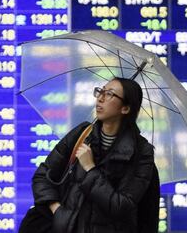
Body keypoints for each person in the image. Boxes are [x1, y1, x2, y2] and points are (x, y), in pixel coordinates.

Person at [19, 77, 160, 233]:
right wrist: (57, 211)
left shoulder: (141, 153)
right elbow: (42, 176)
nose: (100, 98)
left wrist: (90, 168)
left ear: (125, 108)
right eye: (101, 91)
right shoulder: (82, 134)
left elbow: (121, 206)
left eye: (110, 94)